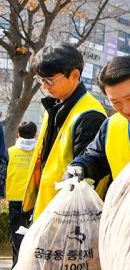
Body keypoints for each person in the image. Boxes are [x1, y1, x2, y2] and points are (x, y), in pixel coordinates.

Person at [22, 44, 107, 220]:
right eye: (41, 80)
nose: (45, 87)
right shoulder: (56, 105)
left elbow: (87, 180)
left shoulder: (89, 115)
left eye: (49, 80)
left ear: (75, 75)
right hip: (47, 210)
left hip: (67, 219)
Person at [6, 122, 37, 265]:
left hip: (15, 197)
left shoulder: (10, 152)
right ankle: (29, 265)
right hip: (34, 198)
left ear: (18, 134)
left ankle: (17, 265)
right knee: (35, 234)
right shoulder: (39, 151)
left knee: (16, 233)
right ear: (35, 134)